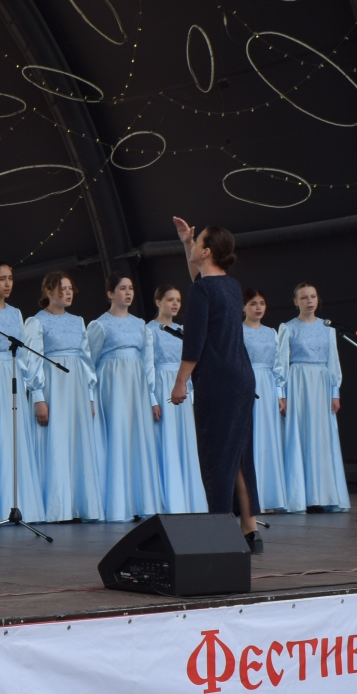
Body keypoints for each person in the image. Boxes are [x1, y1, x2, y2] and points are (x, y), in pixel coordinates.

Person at [166, 219, 261, 547]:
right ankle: (250, 530)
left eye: (197, 242)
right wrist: (185, 242)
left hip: (218, 381)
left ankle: (221, 532)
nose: (193, 245)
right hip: (242, 377)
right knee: (239, 454)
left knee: (217, 457)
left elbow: (194, 342)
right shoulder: (230, 286)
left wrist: (180, 383)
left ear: (206, 252)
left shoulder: (203, 290)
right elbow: (201, 279)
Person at [24, 272, 102, 521]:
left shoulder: (78, 321)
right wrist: (38, 397)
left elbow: (86, 360)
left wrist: (90, 396)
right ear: (49, 292)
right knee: (55, 442)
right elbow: (32, 362)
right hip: (53, 388)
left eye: (70, 289)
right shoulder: (37, 322)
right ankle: (58, 507)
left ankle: (80, 505)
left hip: (76, 388)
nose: (68, 293)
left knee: (78, 442)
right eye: (62, 289)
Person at [0, 261, 42, 523]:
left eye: (10, 278)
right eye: (2, 279)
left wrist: (25, 384)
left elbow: (22, 353)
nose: (8, 283)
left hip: (13, 375)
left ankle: (20, 503)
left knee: (14, 437)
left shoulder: (16, 313)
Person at [88, 274, 160, 523]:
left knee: (138, 439)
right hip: (112, 385)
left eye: (130, 288)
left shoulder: (141, 325)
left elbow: (148, 363)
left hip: (137, 386)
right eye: (122, 288)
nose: (128, 293)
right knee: (117, 437)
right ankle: (118, 505)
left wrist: (152, 397)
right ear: (110, 294)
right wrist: (90, 396)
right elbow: (90, 363)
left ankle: (142, 501)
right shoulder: (100, 325)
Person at [277, 281, 349, 512]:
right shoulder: (288, 327)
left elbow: (333, 362)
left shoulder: (328, 328)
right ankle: (300, 498)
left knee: (322, 437)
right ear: (296, 301)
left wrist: (335, 392)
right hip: (298, 383)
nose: (309, 301)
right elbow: (281, 363)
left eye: (313, 296)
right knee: (299, 435)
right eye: (304, 297)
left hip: (321, 383)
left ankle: (324, 496)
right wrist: (281, 394)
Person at [145, 285, 208, 515]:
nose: (175, 304)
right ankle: (170, 501)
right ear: (158, 302)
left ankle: (189, 501)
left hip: (183, 388)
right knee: (166, 441)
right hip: (162, 386)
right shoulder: (149, 330)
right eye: (170, 299)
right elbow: (147, 366)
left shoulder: (183, 330)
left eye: (178, 300)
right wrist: (152, 398)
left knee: (185, 441)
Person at [242, 289, 300, 513]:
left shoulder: (271, 332)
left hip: (267, 386)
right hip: (247, 384)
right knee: (251, 438)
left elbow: (278, 366)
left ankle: (270, 497)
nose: (258, 307)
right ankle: (252, 498)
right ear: (243, 307)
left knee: (268, 438)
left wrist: (280, 394)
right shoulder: (237, 331)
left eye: (262, 303)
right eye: (253, 303)